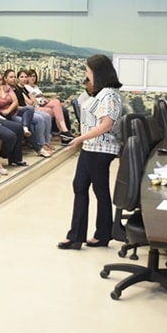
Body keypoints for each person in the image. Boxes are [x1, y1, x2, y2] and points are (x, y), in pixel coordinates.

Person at [59, 54, 122, 250]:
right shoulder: (100, 93)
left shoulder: (110, 95)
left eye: (88, 71)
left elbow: (107, 124)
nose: (86, 75)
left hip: (101, 148)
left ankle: (103, 234)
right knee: (79, 186)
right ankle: (76, 236)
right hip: (91, 147)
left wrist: (80, 138)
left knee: (100, 191)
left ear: (98, 72)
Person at [24, 69, 74, 143]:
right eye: (30, 76)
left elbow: (41, 97)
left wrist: (48, 99)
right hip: (36, 106)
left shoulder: (35, 86)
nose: (32, 78)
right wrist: (46, 101)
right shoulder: (26, 87)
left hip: (42, 104)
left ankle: (64, 133)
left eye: (34, 76)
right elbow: (34, 101)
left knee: (57, 106)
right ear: (27, 78)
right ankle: (64, 131)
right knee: (56, 106)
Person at [13, 69, 55, 155]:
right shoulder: (17, 89)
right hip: (23, 110)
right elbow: (29, 102)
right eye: (22, 77)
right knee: (39, 119)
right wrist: (30, 101)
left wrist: (31, 100)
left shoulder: (24, 88)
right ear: (18, 79)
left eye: (25, 77)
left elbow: (32, 101)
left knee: (47, 116)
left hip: (29, 109)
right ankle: (41, 143)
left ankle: (47, 141)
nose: (24, 79)